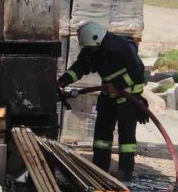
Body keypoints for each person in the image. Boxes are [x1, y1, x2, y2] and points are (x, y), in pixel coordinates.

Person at [58, 22, 148, 182]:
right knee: (102, 135)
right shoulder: (93, 50)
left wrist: (120, 86)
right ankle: (99, 168)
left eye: (92, 47)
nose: (91, 50)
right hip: (109, 94)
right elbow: (80, 67)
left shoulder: (121, 49)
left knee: (126, 137)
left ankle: (125, 171)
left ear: (97, 40)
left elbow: (138, 74)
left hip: (129, 95)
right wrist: (62, 81)